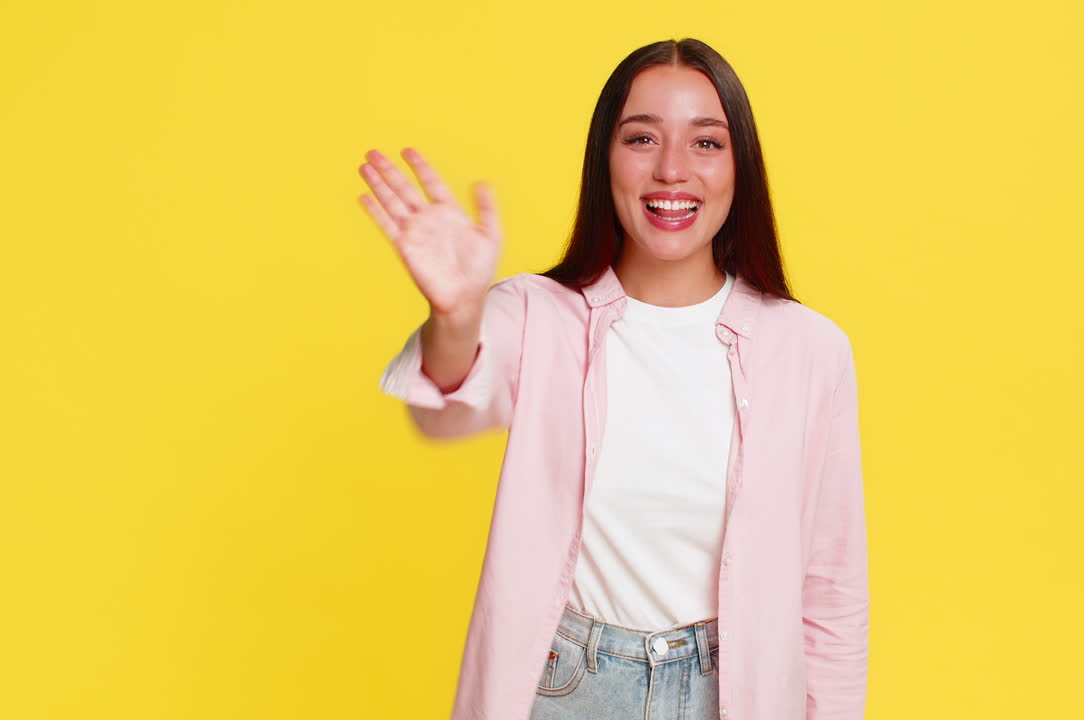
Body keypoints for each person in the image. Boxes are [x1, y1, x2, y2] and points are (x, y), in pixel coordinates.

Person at [359, 38, 868, 720]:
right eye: (641, 139)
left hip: (737, 692)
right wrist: (455, 315)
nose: (671, 170)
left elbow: (831, 588)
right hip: (566, 687)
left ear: (740, 167)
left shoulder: (810, 350)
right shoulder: (534, 314)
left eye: (706, 144)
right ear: (606, 159)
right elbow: (444, 408)